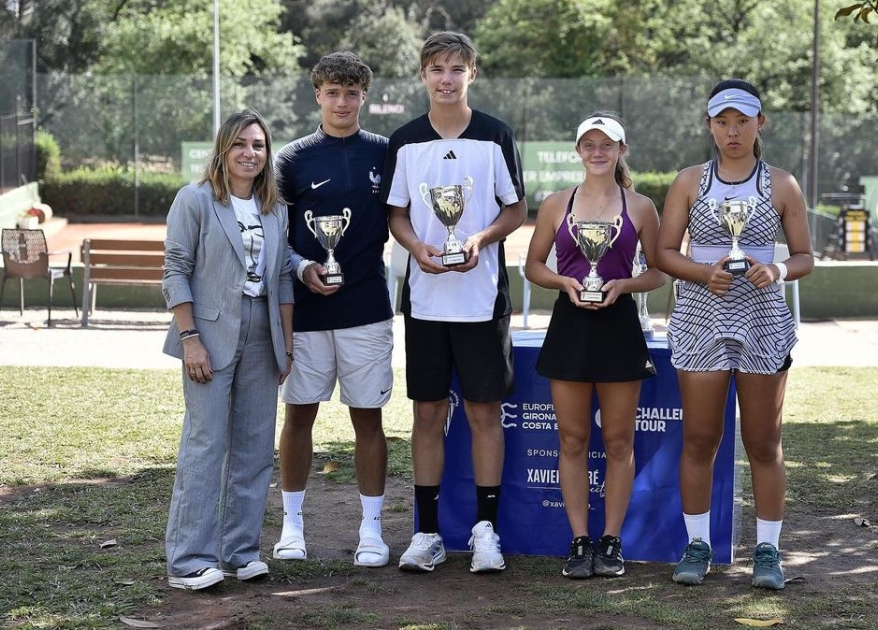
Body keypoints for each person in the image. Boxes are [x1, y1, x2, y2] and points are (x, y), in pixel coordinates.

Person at [654, 79, 814, 590]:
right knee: (701, 438)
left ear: (759, 123)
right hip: (701, 315)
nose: (732, 131)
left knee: (763, 440)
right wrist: (704, 274)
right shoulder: (688, 182)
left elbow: (805, 256)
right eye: (722, 122)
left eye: (742, 120)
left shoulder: (783, 184)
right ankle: (697, 544)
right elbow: (664, 253)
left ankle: (768, 550)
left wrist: (779, 271)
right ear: (709, 126)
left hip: (763, 319)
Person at [381, 31, 527, 573]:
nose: (446, 78)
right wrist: (417, 245)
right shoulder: (405, 140)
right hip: (424, 302)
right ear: (423, 75)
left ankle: (485, 532)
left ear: (472, 74)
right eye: (437, 68)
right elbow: (396, 212)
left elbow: (514, 210)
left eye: (456, 69)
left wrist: (480, 240)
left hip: (481, 300)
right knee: (427, 412)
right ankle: (425, 533)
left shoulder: (495, 136)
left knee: (486, 412)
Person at [524, 113, 665, 579]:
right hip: (570, 325)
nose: (598, 151)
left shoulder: (641, 206)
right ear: (578, 151)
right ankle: (579, 540)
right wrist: (565, 281)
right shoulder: (555, 204)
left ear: (622, 150)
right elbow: (533, 266)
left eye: (607, 144)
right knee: (572, 439)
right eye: (590, 144)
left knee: (620, 440)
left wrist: (623, 286)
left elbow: (658, 272)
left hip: (620, 326)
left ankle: (611, 541)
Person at [162, 109, 295, 591]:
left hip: (264, 335)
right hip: (209, 335)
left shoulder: (275, 208)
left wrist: (287, 342)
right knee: (206, 443)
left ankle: (241, 551)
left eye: (258, 145)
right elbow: (175, 270)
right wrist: (190, 337)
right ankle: (189, 559)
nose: (249, 153)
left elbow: (281, 278)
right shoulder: (195, 200)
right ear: (223, 149)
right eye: (240, 144)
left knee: (256, 446)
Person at [272, 52, 394, 568]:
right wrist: (303, 268)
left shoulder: (388, 153)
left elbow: (405, 220)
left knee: (368, 419)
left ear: (363, 96)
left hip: (367, 307)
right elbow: (275, 233)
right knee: (299, 415)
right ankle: (291, 525)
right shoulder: (292, 158)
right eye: (332, 93)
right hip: (306, 311)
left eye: (351, 93)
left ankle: (371, 530)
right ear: (317, 95)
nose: (342, 102)